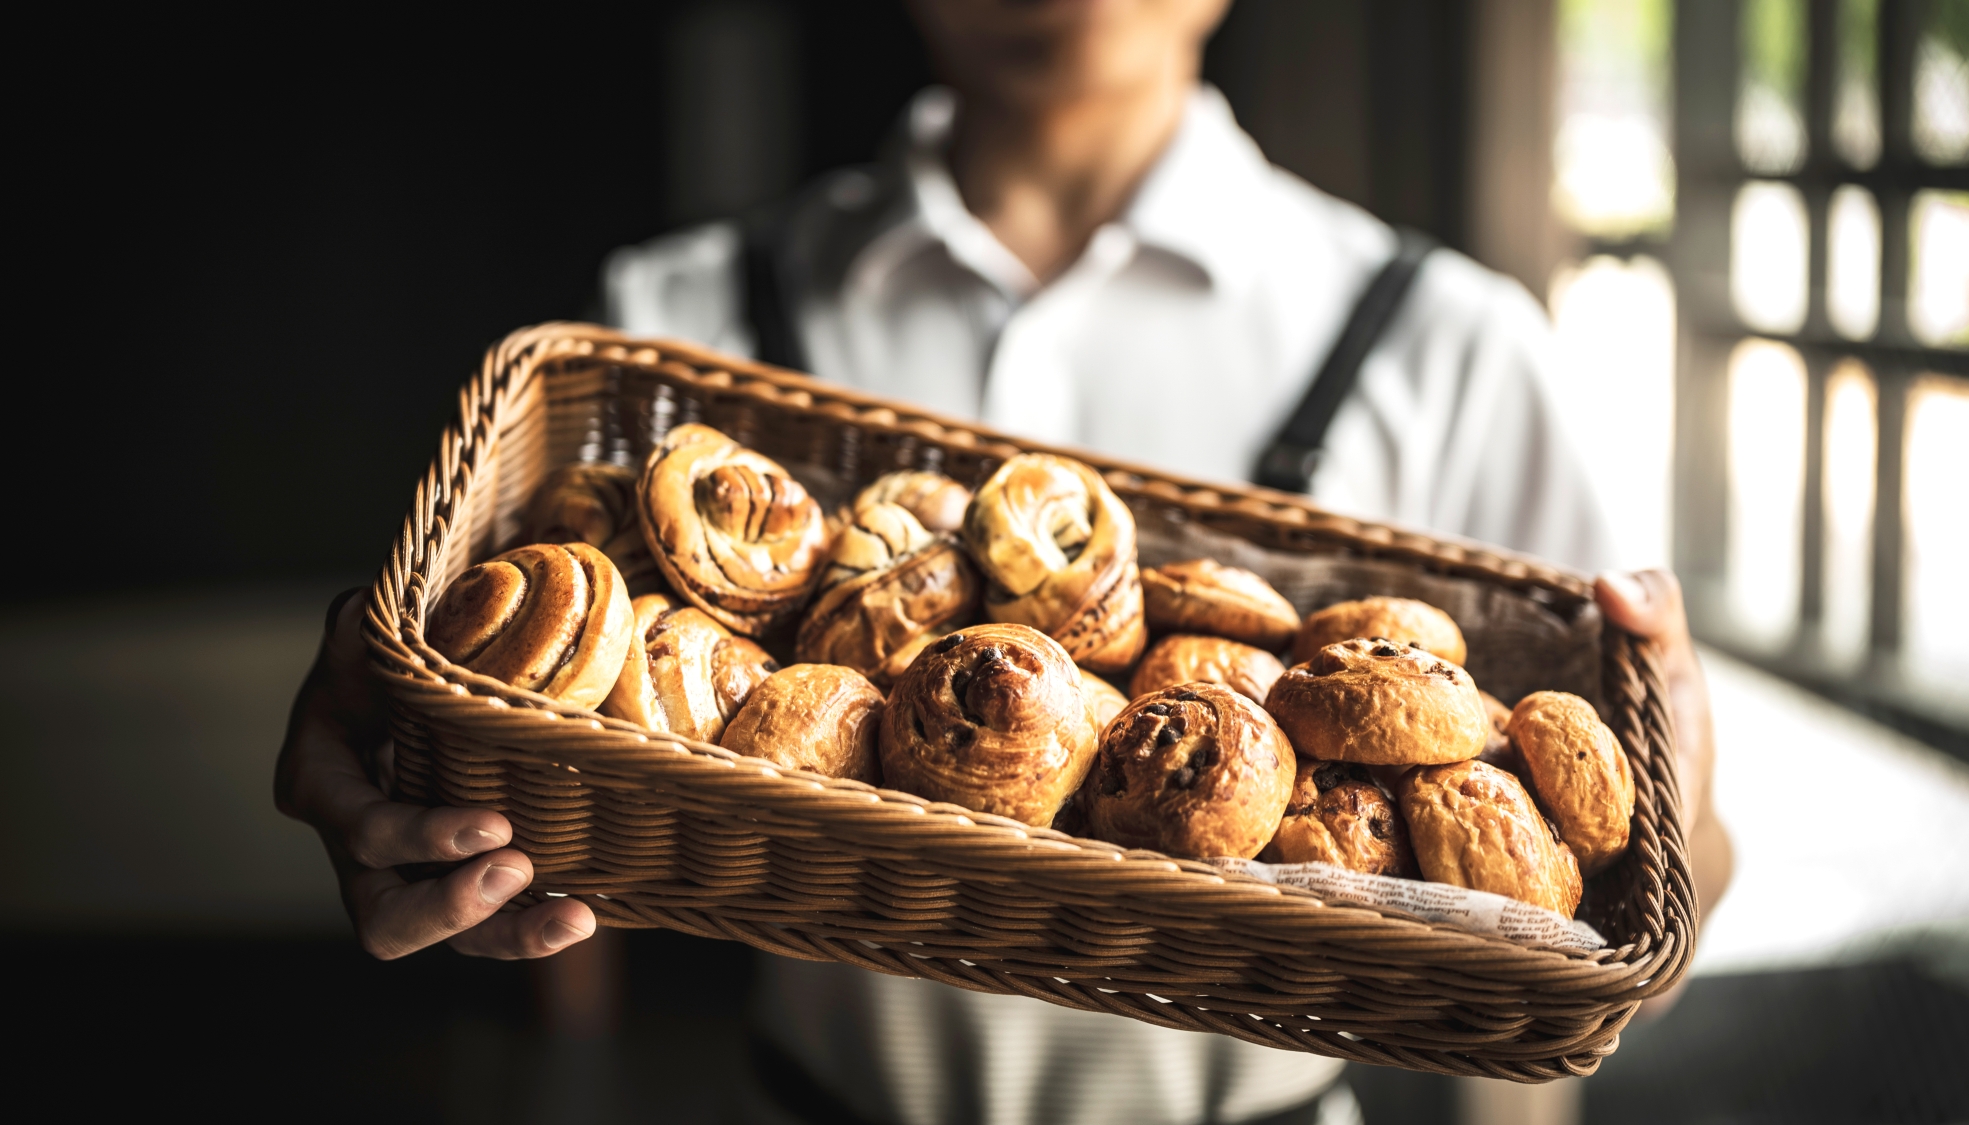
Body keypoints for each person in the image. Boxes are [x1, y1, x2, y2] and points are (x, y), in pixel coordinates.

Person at [276, 2, 1734, 1123]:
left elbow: (1626, 914)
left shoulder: (1452, 348)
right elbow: (552, 802)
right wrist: (422, 765)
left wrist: (1684, 832)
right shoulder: (671, 328)